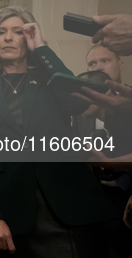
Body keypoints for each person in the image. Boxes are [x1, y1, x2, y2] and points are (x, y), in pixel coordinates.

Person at [0, 6, 116, 257]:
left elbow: (75, 101)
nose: (8, 37)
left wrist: (42, 48)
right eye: (1, 32)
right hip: (13, 217)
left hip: (72, 206)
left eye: (18, 31)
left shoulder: (49, 79)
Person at [80, 45, 132, 257]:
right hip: (93, 203)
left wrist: (108, 162)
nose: (98, 68)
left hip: (126, 198)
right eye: (92, 63)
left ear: (120, 63)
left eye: (105, 61)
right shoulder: (82, 108)